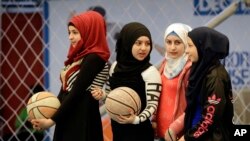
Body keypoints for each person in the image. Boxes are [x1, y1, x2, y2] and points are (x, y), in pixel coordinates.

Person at [31, 11, 110, 141]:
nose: (70, 37)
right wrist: (44, 114)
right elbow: (64, 92)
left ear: (90, 31)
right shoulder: (78, 58)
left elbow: (76, 92)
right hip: (68, 116)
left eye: (75, 32)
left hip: (83, 119)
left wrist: (51, 121)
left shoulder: (95, 58)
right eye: (69, 33)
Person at [92, 22, 162, 141]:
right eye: (138, 43)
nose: (144, 48)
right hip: (118, 132)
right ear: (127, 43)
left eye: (147, 43)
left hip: (140, 133)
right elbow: (111, 97)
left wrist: (135, 119)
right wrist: (102, 95)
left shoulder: (150, 72)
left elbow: (152, 106)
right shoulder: (114, 67)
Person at [179, 27, 234, 141]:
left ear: (203, 48)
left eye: (190, 45)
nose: (186, 51)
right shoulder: (200, 71)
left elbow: (210, 118)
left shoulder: (215, 76)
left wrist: (187, 137)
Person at [152, 23, 192, 141]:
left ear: (186, 43)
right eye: (169, 42)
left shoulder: (190, 69)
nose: (172, 47)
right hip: (161, 133)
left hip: (180, 134)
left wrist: (175, 128)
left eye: (177, 42)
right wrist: (154, 120)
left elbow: (194, 106)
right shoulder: (165, 64)